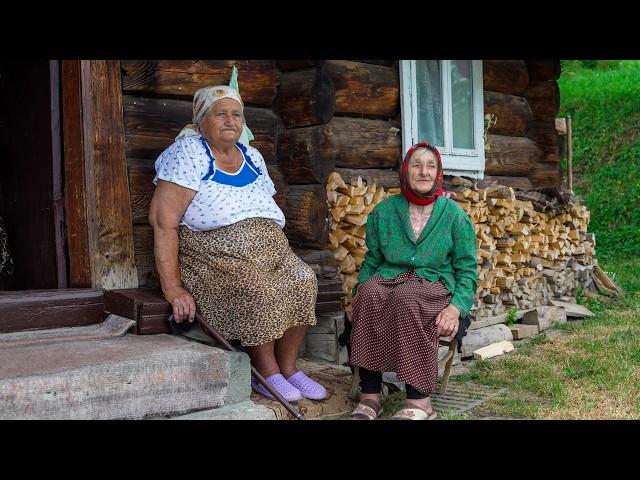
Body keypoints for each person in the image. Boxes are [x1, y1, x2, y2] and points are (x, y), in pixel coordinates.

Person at [148, 85, 327, 402]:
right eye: (221, 114)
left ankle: (289, 368)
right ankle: (266, 373)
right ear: (202, 120)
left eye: (236, 114)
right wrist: (173, 288)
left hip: (272, 252)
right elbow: (163, 222)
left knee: (303, 279)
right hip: (214, 259)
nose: (230, 121)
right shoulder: (188, 154)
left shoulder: (252, 156)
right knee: (258, 289)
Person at [349, 141, 477, 420]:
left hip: (433, 285)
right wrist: (357, 292)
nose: (423, 171)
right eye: (416, 165)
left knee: (407, 299)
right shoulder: (385, 211)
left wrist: (456, 308)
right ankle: (370, 395)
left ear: (438, 173)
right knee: (368, 295)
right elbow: (373, 259)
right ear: (405, 171)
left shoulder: (453, 215)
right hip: (388, 279)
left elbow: (467, 269)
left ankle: (420, 401)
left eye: (431, 166)